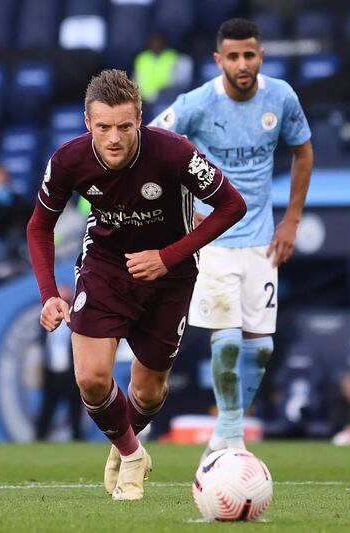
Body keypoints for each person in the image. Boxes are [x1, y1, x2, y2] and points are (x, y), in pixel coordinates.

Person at [27, 69, 246, 501]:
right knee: (91, 377)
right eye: (103, 127)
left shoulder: (173, 152)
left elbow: (231, 205)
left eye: (124, 126)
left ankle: (124, 444)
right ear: (87, 122)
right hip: (105, 266)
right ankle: (131, 453)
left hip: (172, 276)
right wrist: (49, 293)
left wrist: (167, 257)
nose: (114, 138)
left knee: (148, 391)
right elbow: (39, 226)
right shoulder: (69, 160)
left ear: (140, 120)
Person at [150, 18, 313, 459]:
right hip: (215, 240)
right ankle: (232, 437)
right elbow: (152, 141)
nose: (243, 64)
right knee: (225, 337)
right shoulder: (198, 103)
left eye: (251, 54)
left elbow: (303, 150)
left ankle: (225, 429)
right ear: (218, 59)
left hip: (262, 238)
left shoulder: (280, 98)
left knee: (261, 348)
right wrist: (181, 206)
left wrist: (292, 220)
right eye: (234, 56)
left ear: (261, 55)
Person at [35, 284, 84, 441]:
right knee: (46, 410)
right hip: (52, 374)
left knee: (75, 411)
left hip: (71, 374)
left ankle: (77, 441)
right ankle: (38, 441)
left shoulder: (76, 319)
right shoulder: (46, 322)